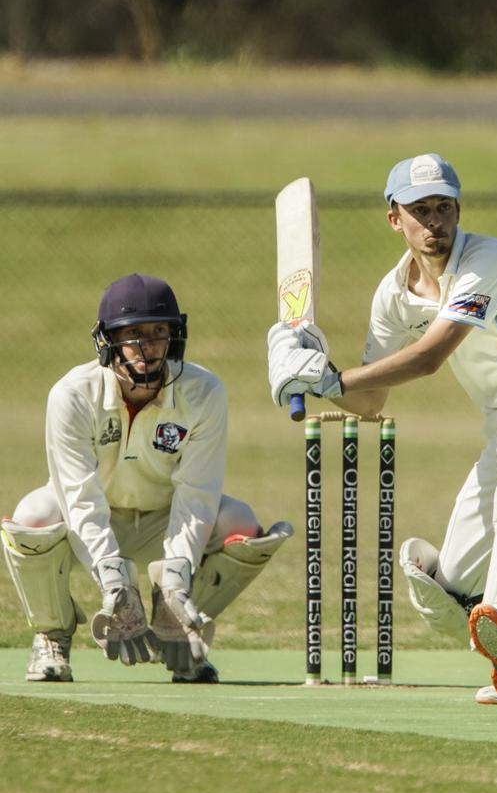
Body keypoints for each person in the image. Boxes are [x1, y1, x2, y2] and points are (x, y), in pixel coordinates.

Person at [267, 153, 497, 706]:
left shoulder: (487, 260)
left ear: (458, 210)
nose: (435, 223)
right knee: (447, 590)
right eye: (420, 210)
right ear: (394, 218)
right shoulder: (391, 296)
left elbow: (429, 358)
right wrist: (305, 373)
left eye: (444, 208)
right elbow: (371, 400)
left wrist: (332, 380)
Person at [2, 273, 292, 683]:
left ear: (175, 336)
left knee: (241, 524)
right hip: (91, 522)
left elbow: (197, 494)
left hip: (163, 519)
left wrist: (176, 578)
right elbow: (79, 497)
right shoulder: (72, 394)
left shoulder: (203, 391)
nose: (147, 346)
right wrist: (113, 579)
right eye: (133, 333)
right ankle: (52, 636)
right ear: (107, 340)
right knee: (32, 516)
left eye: (159, 332)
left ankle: (179, 627)